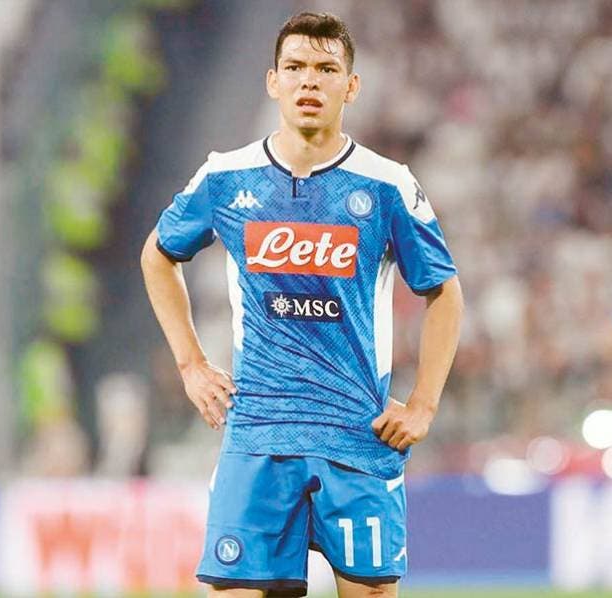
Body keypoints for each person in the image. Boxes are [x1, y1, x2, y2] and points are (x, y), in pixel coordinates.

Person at [140, 12, 462, 598]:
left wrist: (424, 403)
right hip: (259, 436)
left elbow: (443, 291)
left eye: (325, 69)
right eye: (295, 67)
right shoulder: (225, 176)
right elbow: (158, 256)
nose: (309, 80)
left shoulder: (388, 184)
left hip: (357, 435)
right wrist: (191, 364)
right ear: (273, 81)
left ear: (351, 86)